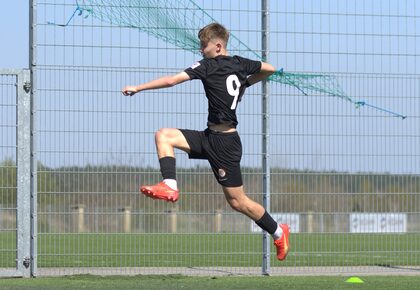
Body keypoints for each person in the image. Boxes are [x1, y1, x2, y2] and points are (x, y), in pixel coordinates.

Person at [122, 23, 290, 261]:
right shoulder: (240, 63)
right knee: (163, 135)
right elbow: (269, 69)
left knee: (237, 201)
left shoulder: (208, 65)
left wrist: (138, 88)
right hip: (209, 136)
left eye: (204, 46)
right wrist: (245, 83)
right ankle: (169, 184)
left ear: (218, 46)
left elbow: (172, 81)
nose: (201, 50)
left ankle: (278, 231)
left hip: (225, 144)